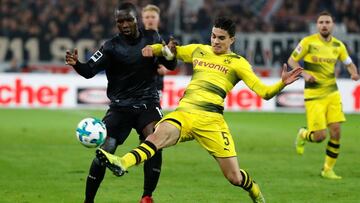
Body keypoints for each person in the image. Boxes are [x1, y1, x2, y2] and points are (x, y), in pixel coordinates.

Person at [95, 16, 302, 202]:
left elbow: (263, 92)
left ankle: (254, 190)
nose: (215, 41)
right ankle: (122, 162)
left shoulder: (238, 63)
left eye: (221, 38)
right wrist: (156, 49)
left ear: (232, 40)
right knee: (157, 136)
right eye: (213, 36)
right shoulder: (199, 50)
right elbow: (172, 51)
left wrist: (281, 83)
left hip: (211, 121)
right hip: (184, 113)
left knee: (234, 177)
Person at [65, 3, 177, 203]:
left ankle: (146, 197)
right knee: (105, 151)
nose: (124, 24)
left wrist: (169, 53)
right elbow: (89, 71)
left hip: (148, 103)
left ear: (136, 20)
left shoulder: (152, 38)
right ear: (116, 23)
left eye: (128, 20)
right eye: (120, 21)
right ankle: (88, 201)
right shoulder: (110, 46)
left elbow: (170, 64)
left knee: (154, 141)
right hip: (120, 107)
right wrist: (77, 64)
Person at [288, 11, 359, 180]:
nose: (324, 25)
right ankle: (303, 134)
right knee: (320, 136)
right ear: (317, 25)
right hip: (314, 95)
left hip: (332, 93)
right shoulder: (308, 42)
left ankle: (327, 169)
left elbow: (349, 63)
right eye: (321, 22)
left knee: (336, 132)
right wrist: (304, 74)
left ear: (333, 24)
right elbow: (292, 60)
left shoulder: (338, 46)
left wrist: (354, 73)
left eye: (327, 22)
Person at [141, 4, 169, 95]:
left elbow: (172, 60)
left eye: (153, 17)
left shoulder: (166, 39)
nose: (150, 19)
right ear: (142, 19)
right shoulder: (136, 38)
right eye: (147, 17)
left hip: (157, 84)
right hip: (138, 84)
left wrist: (166, 67)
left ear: (158, 18)